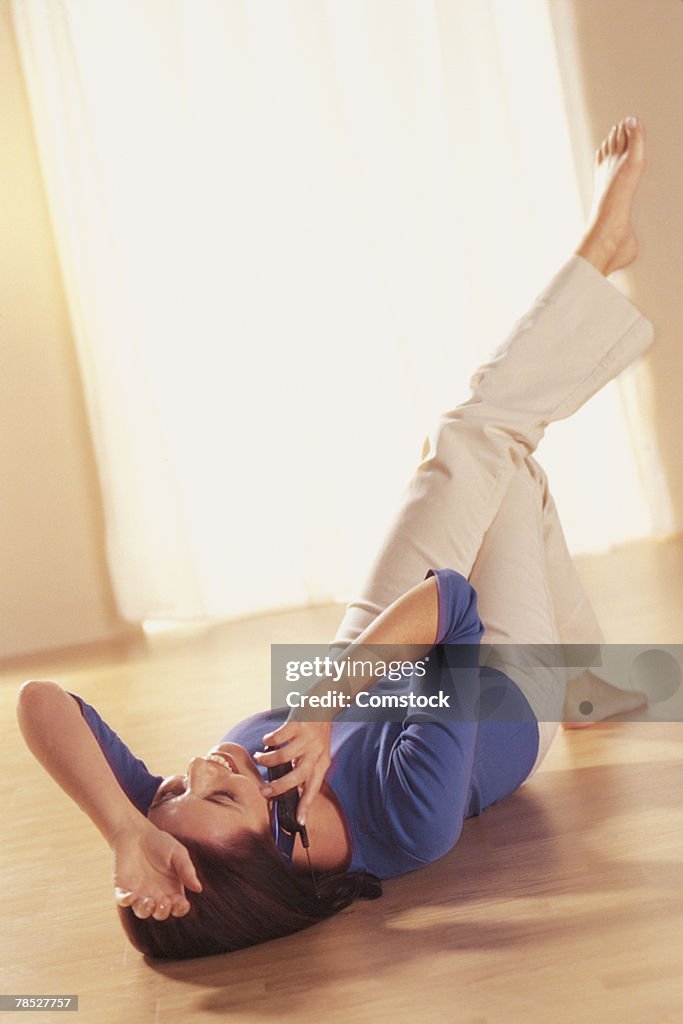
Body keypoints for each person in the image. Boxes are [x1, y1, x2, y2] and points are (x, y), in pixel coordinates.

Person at [17, 115, 654, 960]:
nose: (202, 767)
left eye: (176, 785)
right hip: (498, 684)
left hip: (356, 662)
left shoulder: (200, 807)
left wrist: (122, 834)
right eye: (217, 799)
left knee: (486, 452)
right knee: (489, 446)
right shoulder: (409, 819)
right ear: (283, 846)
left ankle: (594, 684)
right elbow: (453, 610)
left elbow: (39, 702)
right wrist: (318, 709)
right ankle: (596, 257)